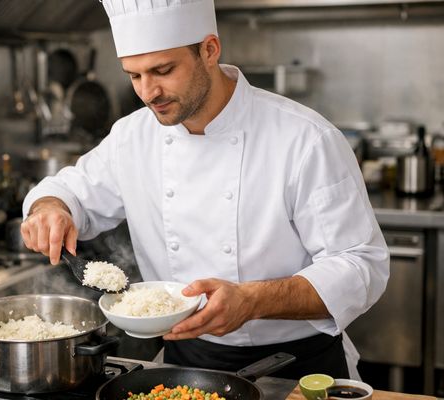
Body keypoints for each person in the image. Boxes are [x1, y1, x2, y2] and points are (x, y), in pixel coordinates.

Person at [21, 0, 389, 380]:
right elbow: (69, 191)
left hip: (300, 368)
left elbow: (361, 265)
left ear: (210, 50)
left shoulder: (305, 139)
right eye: (134, 76)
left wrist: (253, 301)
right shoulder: (132, 136)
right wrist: (51, 209)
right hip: (185, 364)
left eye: (163, 70)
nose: (148, 92)